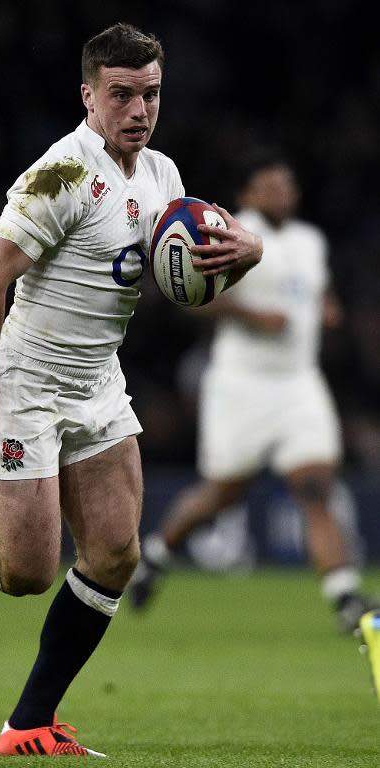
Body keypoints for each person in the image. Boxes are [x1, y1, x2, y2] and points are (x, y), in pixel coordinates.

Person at [0, 23, 262, 757]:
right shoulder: (61, 175)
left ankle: (27, 724)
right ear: (89, 96)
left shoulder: (161, 174)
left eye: (151, 94)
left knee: (112, 555)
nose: (139, 110)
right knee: (25, 575)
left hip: (97, 381)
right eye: (123, 95)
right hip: (23, 386)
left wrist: (247, 249)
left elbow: (191, 261)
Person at [129, 149, 379, 633]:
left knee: (315, 486)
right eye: (270, 186)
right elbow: (189, 296)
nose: (282, 194)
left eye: (287, 186)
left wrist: (327, 308)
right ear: (248, 194)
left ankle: (345, 595)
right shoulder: (221, 228)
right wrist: (251, 316)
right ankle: (158, 553)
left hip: (299, 383)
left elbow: (314, 289)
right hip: (241, 384)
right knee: (223, 493)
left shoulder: (308, 241)